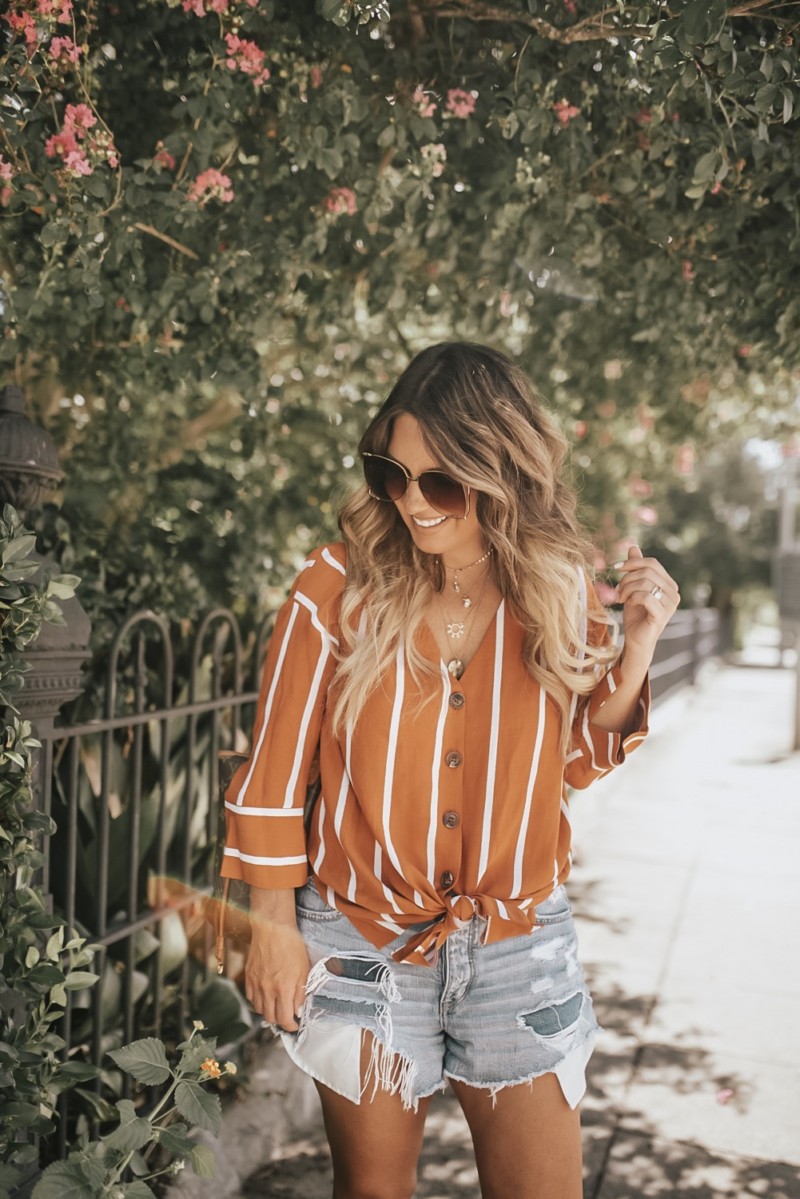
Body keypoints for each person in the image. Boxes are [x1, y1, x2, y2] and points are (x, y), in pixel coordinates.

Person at [221, 341, 679, 1199]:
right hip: (362, 942)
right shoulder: (334, 585)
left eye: (440, 482)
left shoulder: (556, 586)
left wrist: (640, 644)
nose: (412, 503)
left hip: (518, 943)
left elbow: (575, 761)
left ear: (501, 469)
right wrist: (271, 925)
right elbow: (274, 770)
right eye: (393, 474)